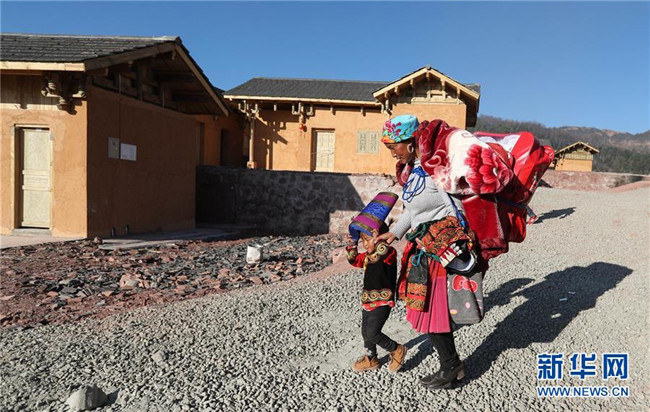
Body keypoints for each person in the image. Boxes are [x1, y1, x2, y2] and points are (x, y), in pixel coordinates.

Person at [375, 114, 491, 390]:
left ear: (410, 142)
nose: (392, 153)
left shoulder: (435, 171)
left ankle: (451, 367)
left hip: (439, 253)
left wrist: (455, 242)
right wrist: (394, 233)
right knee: (428, 312)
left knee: (433, 312)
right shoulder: (413, 172)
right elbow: (413, 212)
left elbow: (458, 208)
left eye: (394, 146)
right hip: (422, 249)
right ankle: (452, 365)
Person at [346, 193, 407, 373]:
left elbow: (383, 250)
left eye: (367, 239)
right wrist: (352, 244)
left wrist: (378, 237)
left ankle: (396, 349)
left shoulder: (387, 253)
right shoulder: (367, 256)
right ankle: (371, 358)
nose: (365, 244)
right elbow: (353, 260)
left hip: (383, 301)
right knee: (366, 332)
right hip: (368, 300)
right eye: (363, 241)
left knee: (373, 332)